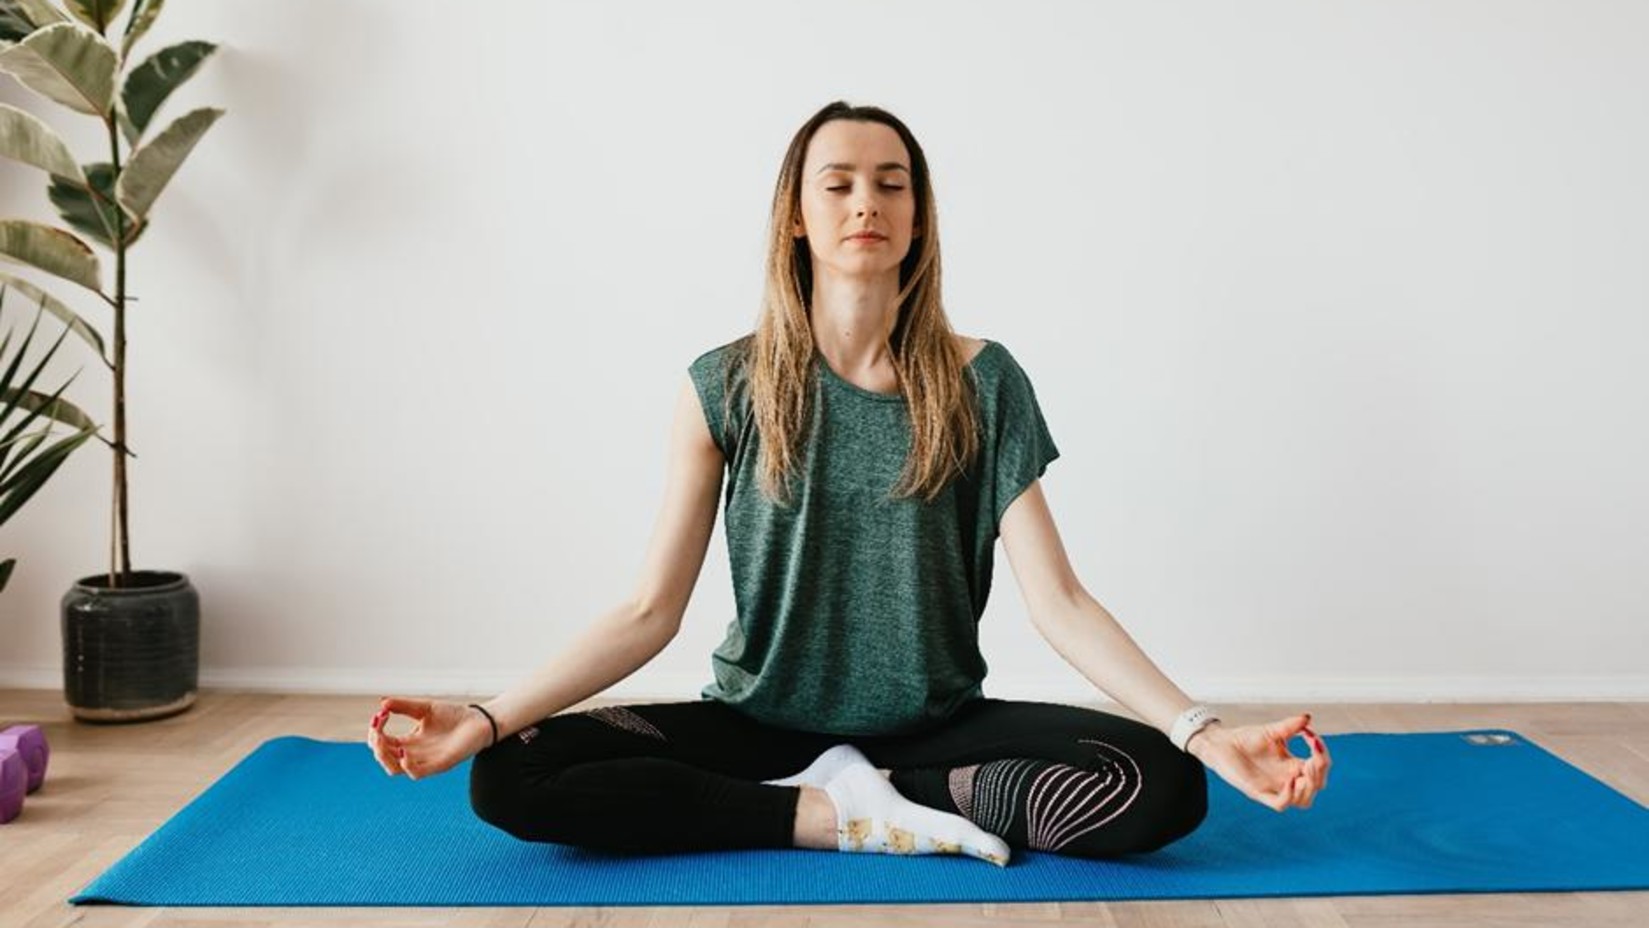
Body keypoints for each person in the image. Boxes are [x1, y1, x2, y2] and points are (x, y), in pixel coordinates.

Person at [366, 100, 1332, 865]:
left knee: (1162, 786)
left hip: (937, 728)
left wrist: (1202, 731)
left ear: (917, 217)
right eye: (837, 184)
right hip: (757, 725)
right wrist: (488, 714)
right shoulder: (725, 385)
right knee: (510, 775)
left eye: (889, 184)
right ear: (798, 214)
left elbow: (1062, 601)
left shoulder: (981, 382)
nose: (865, 202)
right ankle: (835, 815)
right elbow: (647, 610)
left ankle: (893, 799)